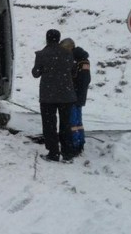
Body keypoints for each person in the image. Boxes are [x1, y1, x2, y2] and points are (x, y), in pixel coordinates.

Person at [32, 29, 77, 162]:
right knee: (66, 125)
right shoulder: (68, 54)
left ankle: (53, 153)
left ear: (47, 38)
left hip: (48, 96)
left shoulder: (42, 54)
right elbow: (72, 70)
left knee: (49, 125)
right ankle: (67, 154)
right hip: (67, 96)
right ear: (58, 39)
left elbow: (35, 73)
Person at [60, 38, 91, 155]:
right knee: (78, 122)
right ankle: (79, 142)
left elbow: (81, 80)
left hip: (74, 96)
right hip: (79, 95)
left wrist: (72, 90)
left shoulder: (77, 61)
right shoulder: (83, 60)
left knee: (73, 122)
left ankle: (75, 144)